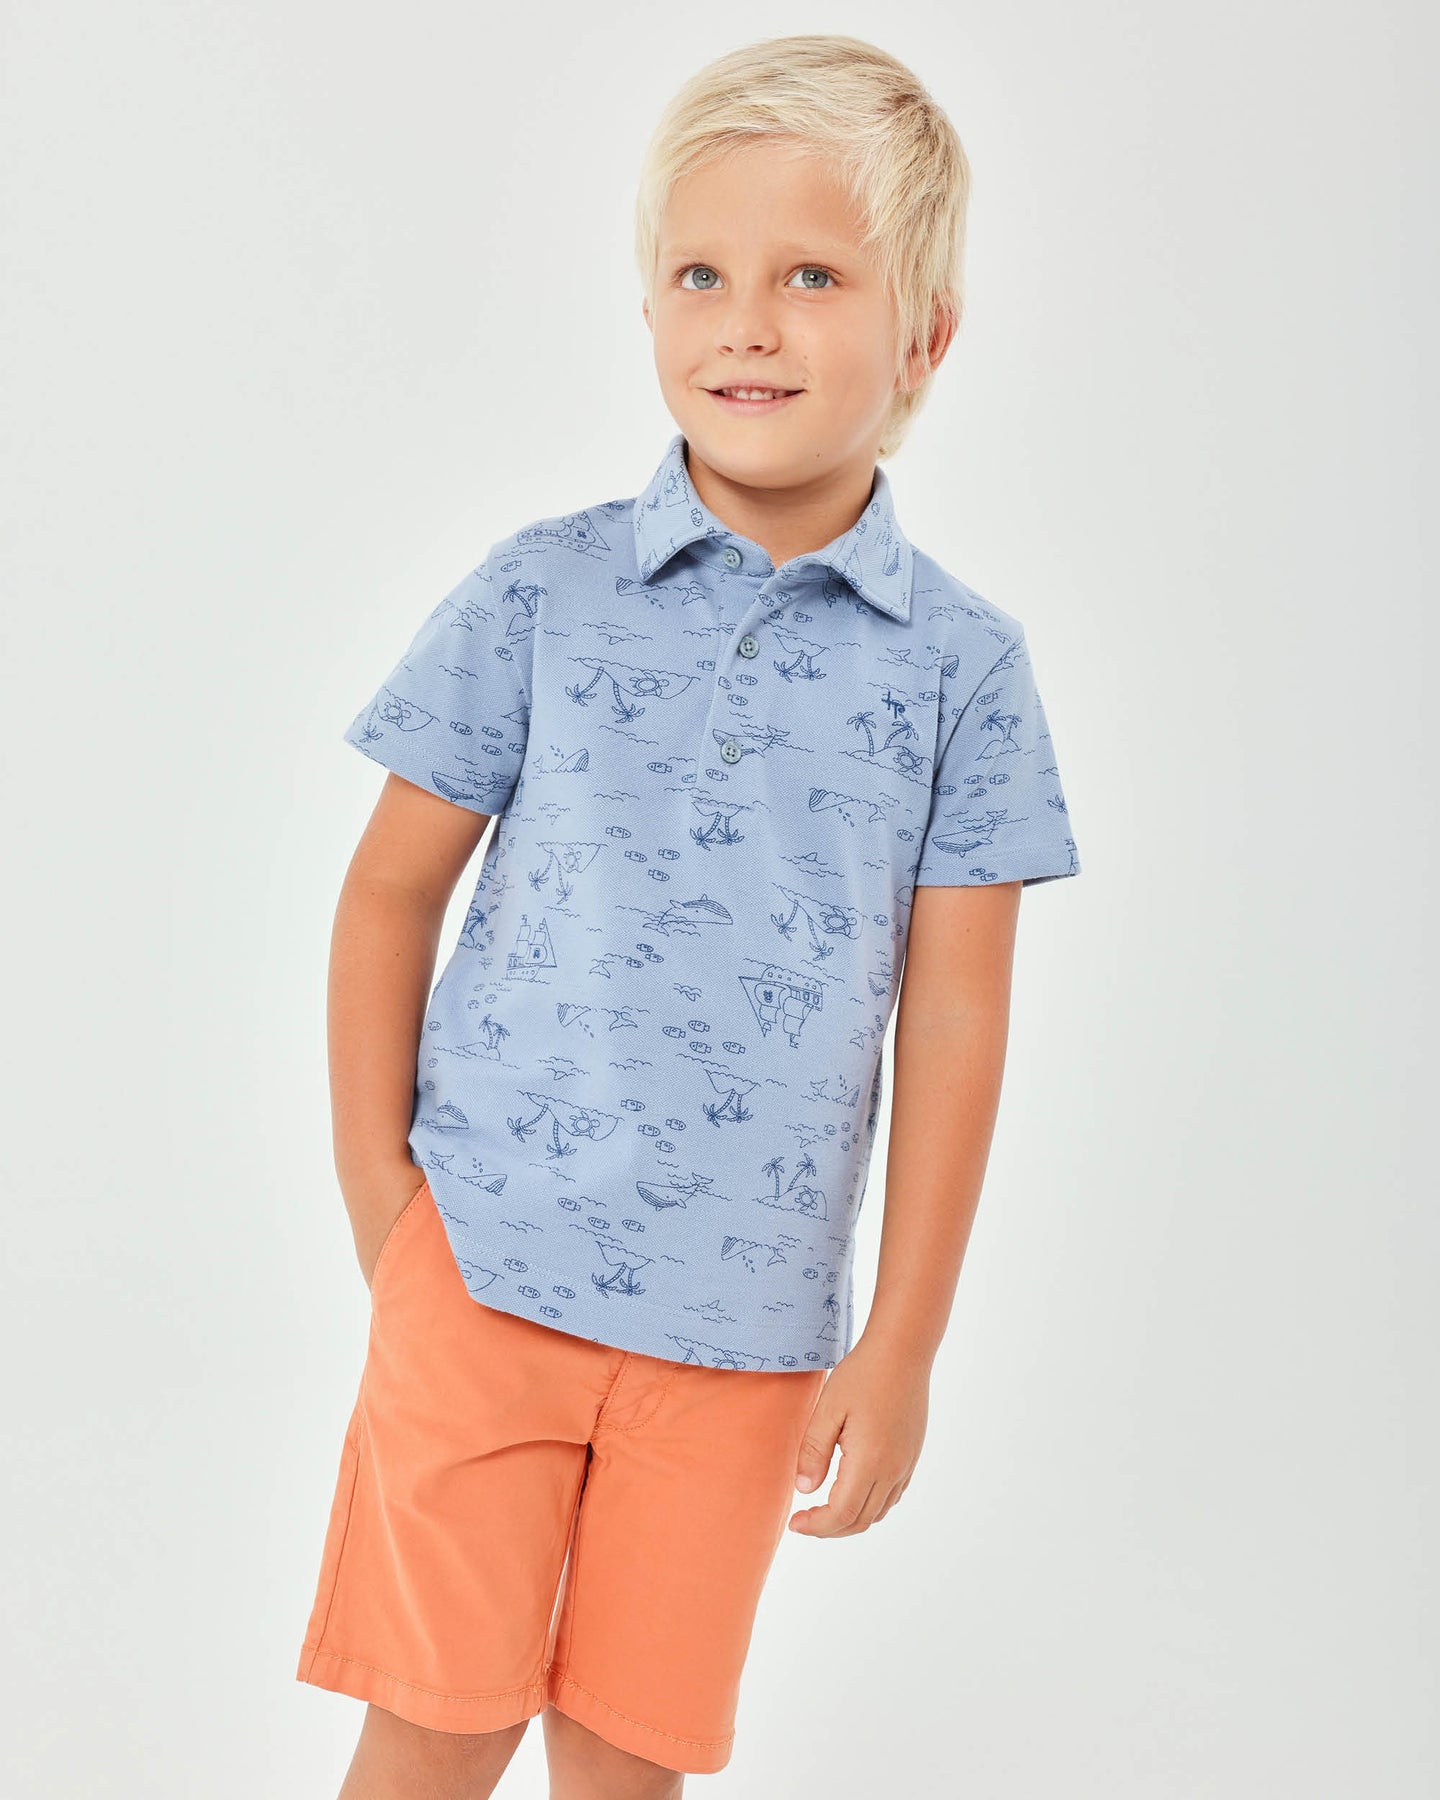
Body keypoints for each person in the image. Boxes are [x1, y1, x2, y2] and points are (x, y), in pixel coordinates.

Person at [295, 33, 1082, 1800]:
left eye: (814, 277)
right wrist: (380, 1200)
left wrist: (903, 1339)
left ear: (928, 337)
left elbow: (959, 1019)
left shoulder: (966, 671)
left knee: (630, 1757)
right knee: (434, 1721)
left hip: (746, 1334)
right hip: (483, 1272)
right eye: (701, 275)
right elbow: (389, 887)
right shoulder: (542, 589)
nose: (748, 324)